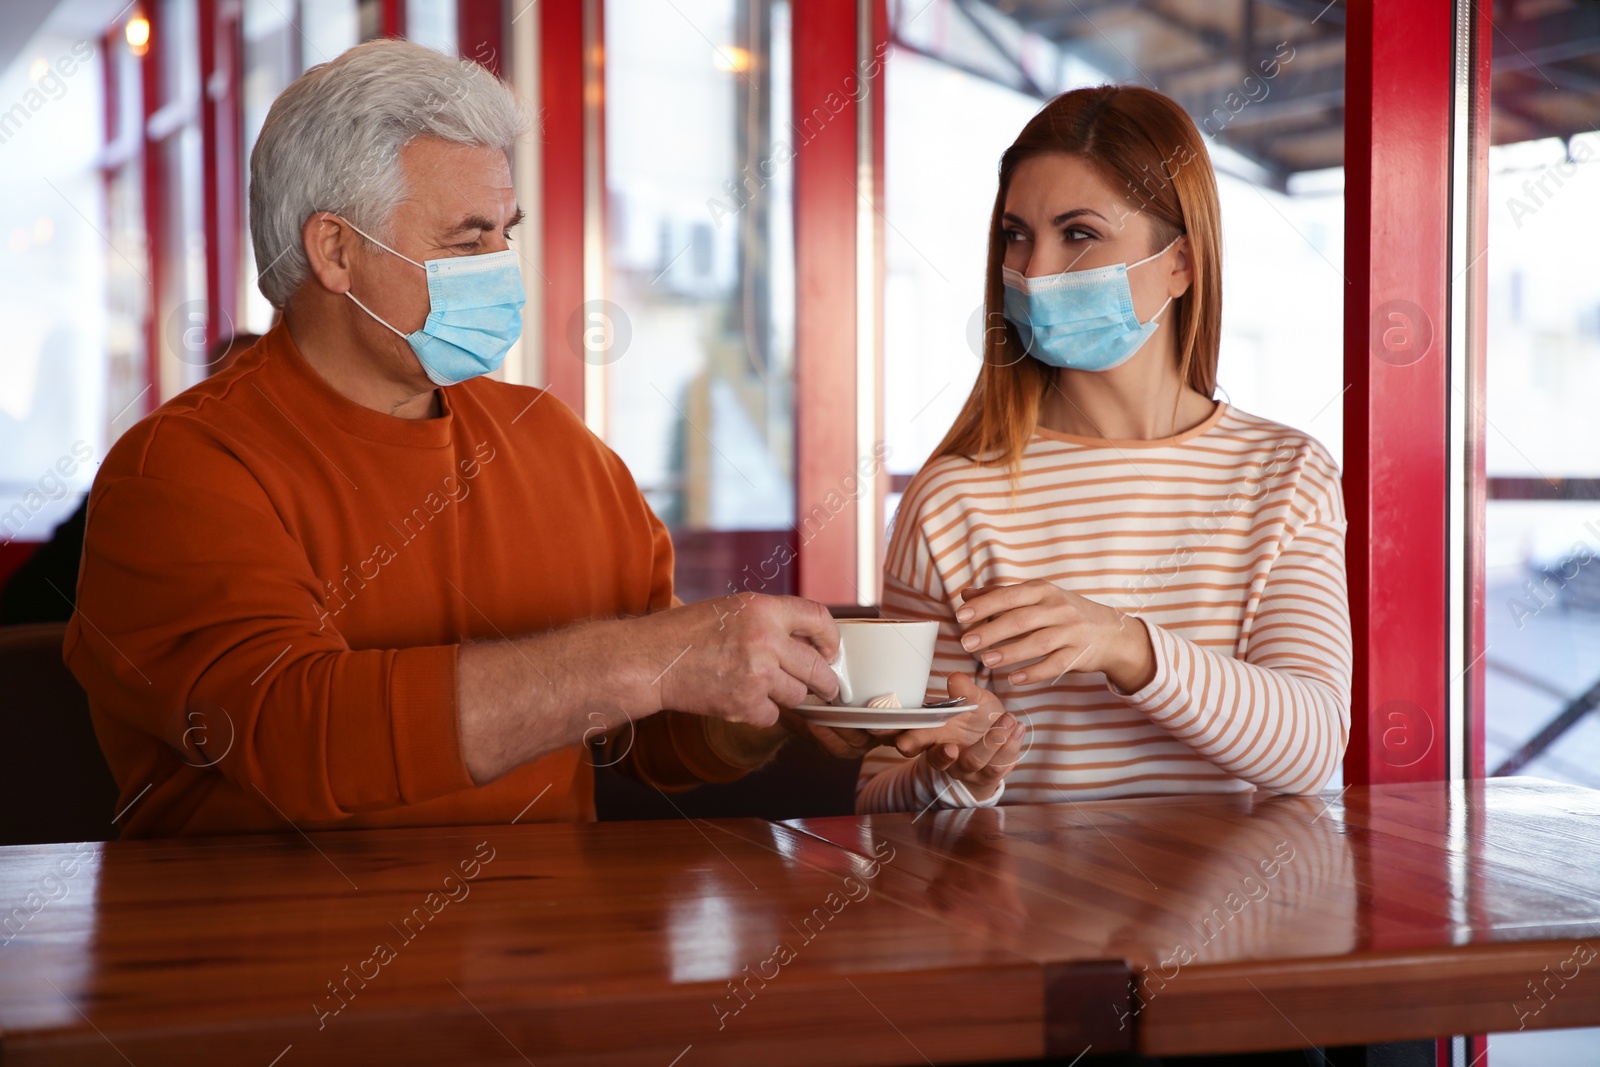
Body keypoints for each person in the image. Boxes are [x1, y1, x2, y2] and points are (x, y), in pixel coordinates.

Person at [65, 40, 846, 837]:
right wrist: (642, 660)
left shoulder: (555, 443)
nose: (504, 267)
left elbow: (651, 740)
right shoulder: (178, 472)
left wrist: (781, 696)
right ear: (335, 250)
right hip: (277, 950)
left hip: (565, 947)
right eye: (468, 241)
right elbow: (297, 739)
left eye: (506, 233)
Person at [857, 86, 1351, 814]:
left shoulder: (1286, 476)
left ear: (1180, 264)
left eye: (1080, 233)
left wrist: (1120, 642)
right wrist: (959, 777)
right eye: (1016, 235)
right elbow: (879, 794)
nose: (1036, 270)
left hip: (1245, 922)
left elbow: (1311, 747)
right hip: (1028, 924)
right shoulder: (951, 500)